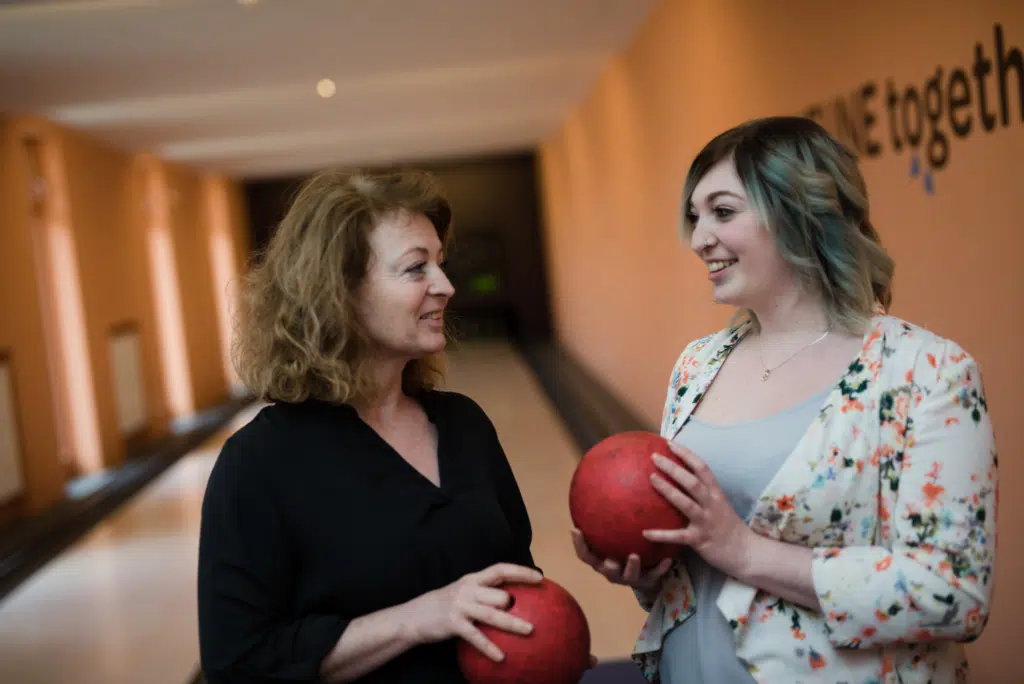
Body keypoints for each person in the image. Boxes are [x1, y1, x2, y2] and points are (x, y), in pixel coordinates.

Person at [571, 116, 998, 683]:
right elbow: (695, 575)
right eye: (695, 218)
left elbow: (955, 591)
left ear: (800, 214)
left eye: (723, 213)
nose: (699, 239)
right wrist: (649, 577)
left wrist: (747, 553)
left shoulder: (926, 372)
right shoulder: (698, 364)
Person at [197, 168, 547, 683]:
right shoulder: (258, 463)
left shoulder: (465, 425)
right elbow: (240, 662)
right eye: (415, 269)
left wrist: (549, 646)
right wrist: (413, 620)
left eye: (441, 265)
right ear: (337, 293)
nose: (446, 287)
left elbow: (518, 586)